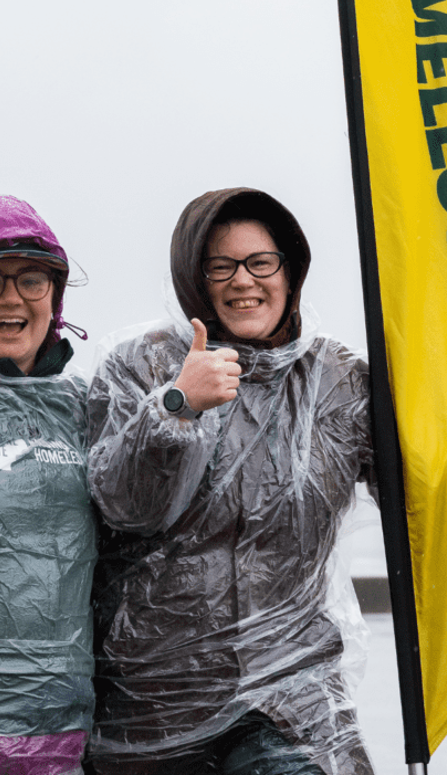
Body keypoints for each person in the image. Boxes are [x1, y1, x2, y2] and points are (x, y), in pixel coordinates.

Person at [86, 188, 375, 775]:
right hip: (156, 702)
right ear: (195, 278)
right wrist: (175, 407)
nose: (243, 281)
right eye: (220, 266)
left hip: (292, 697)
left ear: (290, 271)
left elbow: (425, 500)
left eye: (260, 262)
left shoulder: (338, 381)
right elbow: (124, 507)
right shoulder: (137, 366)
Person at [0, 195, 96, 774]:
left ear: (54, 299)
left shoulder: (87, 410)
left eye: (31, 280)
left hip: (60, 729)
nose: (10, 297)